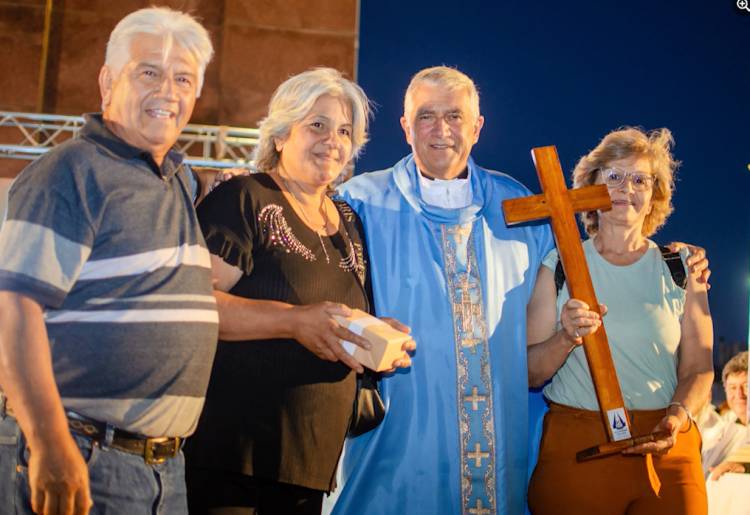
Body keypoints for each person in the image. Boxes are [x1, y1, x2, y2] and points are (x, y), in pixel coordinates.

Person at [0, 7, 218, 515]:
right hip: (81, 456)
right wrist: (50, 442)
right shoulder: (69, 172)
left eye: (183, 78)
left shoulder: (178, 181)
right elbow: (13, 309)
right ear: (107, 81)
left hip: (164, 469)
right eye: (149, 72)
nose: (168, 90)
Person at [184, 68, 415, 515]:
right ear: (281, 134)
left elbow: (329, 315)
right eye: (317, 125)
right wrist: (293, 322)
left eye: (345, 130)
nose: (333, 140)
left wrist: (370, 332)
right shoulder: (244, 198)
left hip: (309, 466)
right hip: (233, 462)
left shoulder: (347, 219)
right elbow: (195, 305)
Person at [326, 66, 554, 514]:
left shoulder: (520, 210)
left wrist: (665, 257)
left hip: (499, 436)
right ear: (405, 126)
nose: (441, 130)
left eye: (454, 116)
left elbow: (570, 278)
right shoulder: (359, 202)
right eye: (426, 116)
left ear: (477, 127)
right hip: (396, 431)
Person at [526, 127, 713, 514]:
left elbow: (699, 368)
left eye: (640, 179)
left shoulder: (682, 268)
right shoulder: (557, 267)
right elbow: (530, 372)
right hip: (578, 450)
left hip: (667, 446)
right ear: (587, 190)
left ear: (653, 197)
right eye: (614, 176)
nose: (627, 187)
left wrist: (677, 418)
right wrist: (566, 337)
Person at [699, 351, 749, 480]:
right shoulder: (724, 425)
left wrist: (743, 466)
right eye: (732, 387)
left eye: (746, 386)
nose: (739, 394)